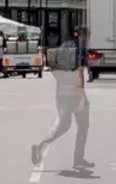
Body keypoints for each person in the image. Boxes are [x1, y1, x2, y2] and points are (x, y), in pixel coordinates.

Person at [31, 31, 92, 172]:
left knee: (63, 126)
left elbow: (54, 71)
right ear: (82, 36)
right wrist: (81, 96)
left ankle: (41, 146)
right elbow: (79, 73)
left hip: (62, 94)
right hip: (75, 94)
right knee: (83, 125)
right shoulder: (78, 50)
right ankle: (78, 158)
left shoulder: (61, 50)